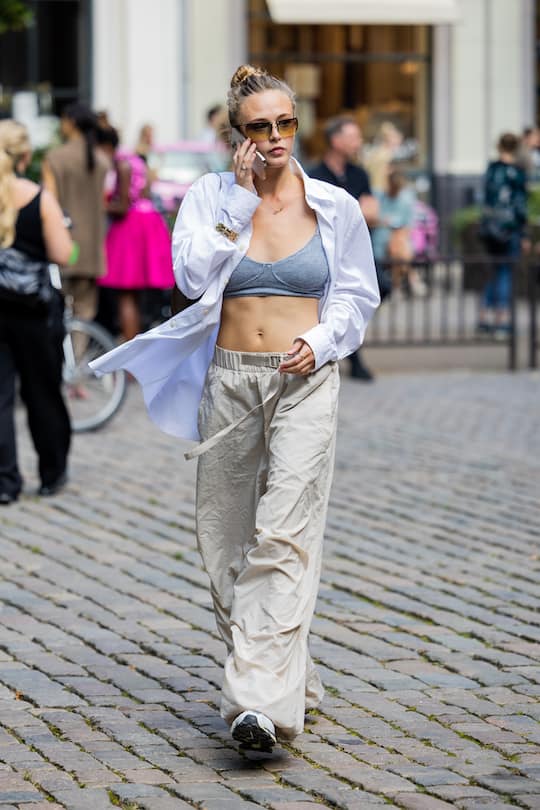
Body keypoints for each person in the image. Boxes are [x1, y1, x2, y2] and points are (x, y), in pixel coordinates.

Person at [90, 64, 379, 750]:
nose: (277, 138)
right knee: (222, 539)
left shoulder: (332, 205)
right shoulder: (210, 197)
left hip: (303, 380)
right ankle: (286, 676)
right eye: (261, 127)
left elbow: (357, 296)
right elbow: (190, 277)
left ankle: (254, 703)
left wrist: (322, 338)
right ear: (238, 136)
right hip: (229, 380)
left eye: (287, 123)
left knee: (283, 534)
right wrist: (240, 203)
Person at [0, 120, 74, 504]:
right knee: (42, 390)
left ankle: (4, 482)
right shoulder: (38, 197)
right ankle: (51, 472)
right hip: (32, 311)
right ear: (26, 156)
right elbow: (63, 254)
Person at [310, 115, 379, 380]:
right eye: (353, 137)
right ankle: (348, 356)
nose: (358, 142)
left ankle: (345, 347)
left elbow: (372, 212)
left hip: (354, 251)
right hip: (325, 253)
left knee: (371, 291)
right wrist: (354, 212)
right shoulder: (315, 175)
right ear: (335, 140)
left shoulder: (359, 174)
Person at [96, 126, 174, 342]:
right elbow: (146, 191)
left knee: (126, 296)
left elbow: (121, 206)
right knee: (138, 297)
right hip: (148, 223)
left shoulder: (121, 164)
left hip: (130, 228)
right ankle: (137, 353)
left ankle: (129, 358)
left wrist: (98, 205)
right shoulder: (135, 159)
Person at [42, 102, 109, 321]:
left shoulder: (55, 158)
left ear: (71, 123)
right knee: (85, 311)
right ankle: (79, 355)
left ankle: (64, 354)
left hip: (65, 245)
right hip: (91, 247)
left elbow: (48, 202)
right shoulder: (101, 160)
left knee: (59, 307)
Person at [478, 133, 528, 336]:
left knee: (495, 271)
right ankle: (501, 319)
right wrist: (524, 233)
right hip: (509, 229)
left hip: (490, 228)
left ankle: (484, 317)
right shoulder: (516, 173)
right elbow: (520, 206)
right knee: (505, 272)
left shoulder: (491, 170)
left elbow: (485, 199)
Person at [371, 167, 426, 296]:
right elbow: (373, 219)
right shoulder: (379, 196)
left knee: (397, 246)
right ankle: (412, 277)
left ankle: (397, 284)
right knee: (399, 248)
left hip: (399, 238)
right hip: (384, 239)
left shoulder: (406, 198)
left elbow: (408, 224)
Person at [365, 121, 403, 193]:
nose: (398, 140)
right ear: (388, 138)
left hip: (377, 188)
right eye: (395, 137)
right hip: (382, 190)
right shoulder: (385, 154)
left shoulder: (378, 152)